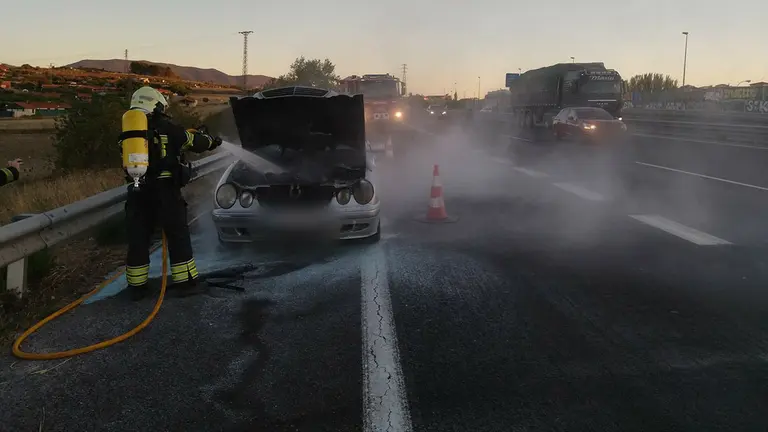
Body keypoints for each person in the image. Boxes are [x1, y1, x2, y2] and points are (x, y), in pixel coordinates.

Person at [119, 86, 222, 299]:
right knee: (177, 235)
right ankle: (186, 282)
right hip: (165, 191)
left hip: (138, 191)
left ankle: (136, 287)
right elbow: (195, 143)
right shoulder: (167, 127)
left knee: (139, 237)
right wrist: (213, 140)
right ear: (155, 105)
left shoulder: (130, 132)